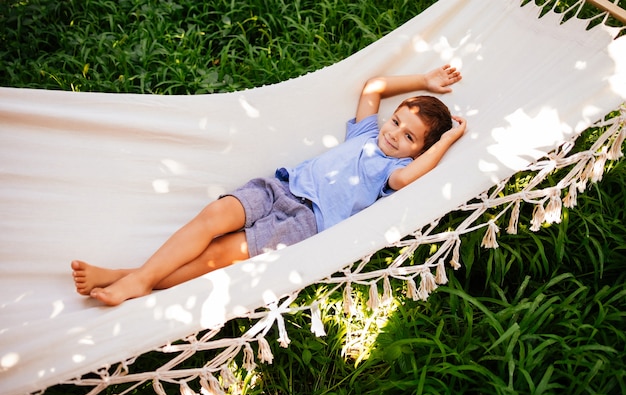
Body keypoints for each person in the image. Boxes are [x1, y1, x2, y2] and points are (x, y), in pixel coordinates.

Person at [72, 64, 466, 306]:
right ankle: (135, 277)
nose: (395, 134)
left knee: (218, 255)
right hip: (280, 186)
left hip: (304, 223)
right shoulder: (365, 134)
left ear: (416, 152)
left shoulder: (392, 172)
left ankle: (133, 278)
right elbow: (372, 88)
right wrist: (424, 80)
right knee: (214, 215)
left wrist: (446, 140)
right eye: (396, 121)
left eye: (410, 137)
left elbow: (416, 174)